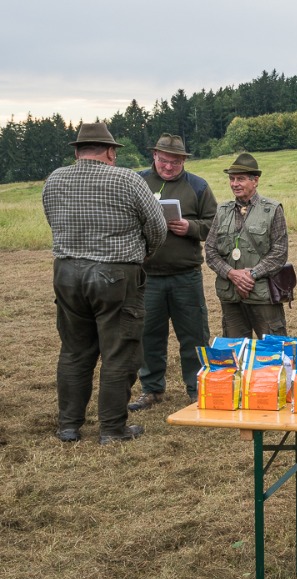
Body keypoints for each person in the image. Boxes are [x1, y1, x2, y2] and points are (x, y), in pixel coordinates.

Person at [42, 123, 167, 444]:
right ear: (111, 151)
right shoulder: (127, 179)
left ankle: (69, 425)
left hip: (67, 273)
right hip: (115, 274)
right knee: (119, 351)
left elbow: (52, 219)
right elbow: (157, 227)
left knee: (74, 351)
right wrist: (143, 255)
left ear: (77, 151)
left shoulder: (55, 179)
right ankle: (112, 428)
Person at [128, 134, 218, 411]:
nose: (169, 166)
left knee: (194, 334)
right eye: (164, 160)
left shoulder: (198, 186)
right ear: (154, 155)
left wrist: (190, 228)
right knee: (149, 334)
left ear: (183, 161)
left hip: (185, 275)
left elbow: (214, 224)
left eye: (175, 161)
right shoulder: (138, 182)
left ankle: (196, 387)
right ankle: (151, 389)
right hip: (147, 275)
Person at [204, 153, 289, 338]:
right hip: (230, 296)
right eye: (232, 179)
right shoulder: (222, 211)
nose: (235, 184)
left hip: (263, 295)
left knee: (273, 352)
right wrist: (231, 274)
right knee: (235, 354)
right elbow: (210, 251)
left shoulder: (273, 210)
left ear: (255, 180)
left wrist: (251, 275)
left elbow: (280, 253)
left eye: (240, 179)